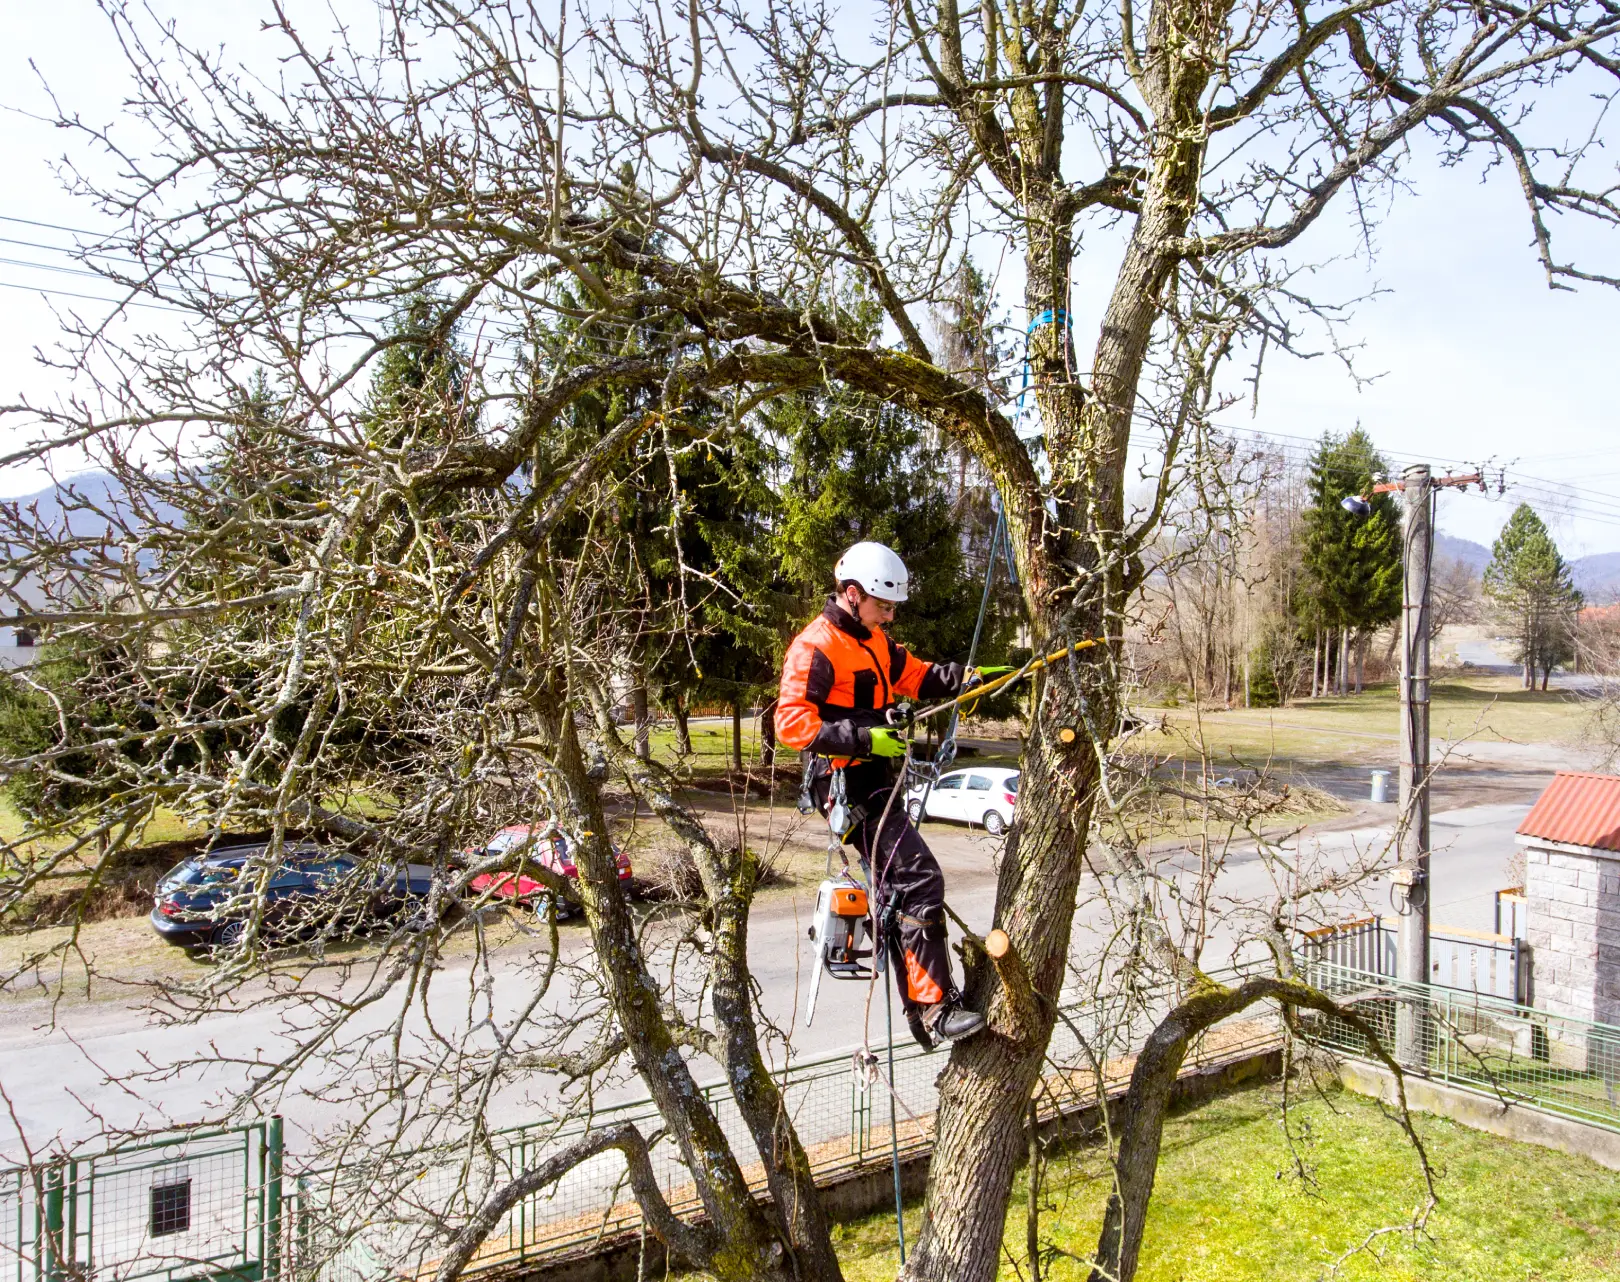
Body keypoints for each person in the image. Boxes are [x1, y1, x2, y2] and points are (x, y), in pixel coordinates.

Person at [776, 541, 989, 1048]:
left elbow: (914, 675)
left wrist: (965, 679)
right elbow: (790, 722)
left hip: (878, 779)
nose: (890, 616)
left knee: (898, 894)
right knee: (919, 878)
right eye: (883, 605)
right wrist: (862, 737)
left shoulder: (873, 641)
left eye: (893, 608)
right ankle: (936, 1008)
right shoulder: (816, 646)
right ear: (853, 595)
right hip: (846, 783)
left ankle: (920, 1009)